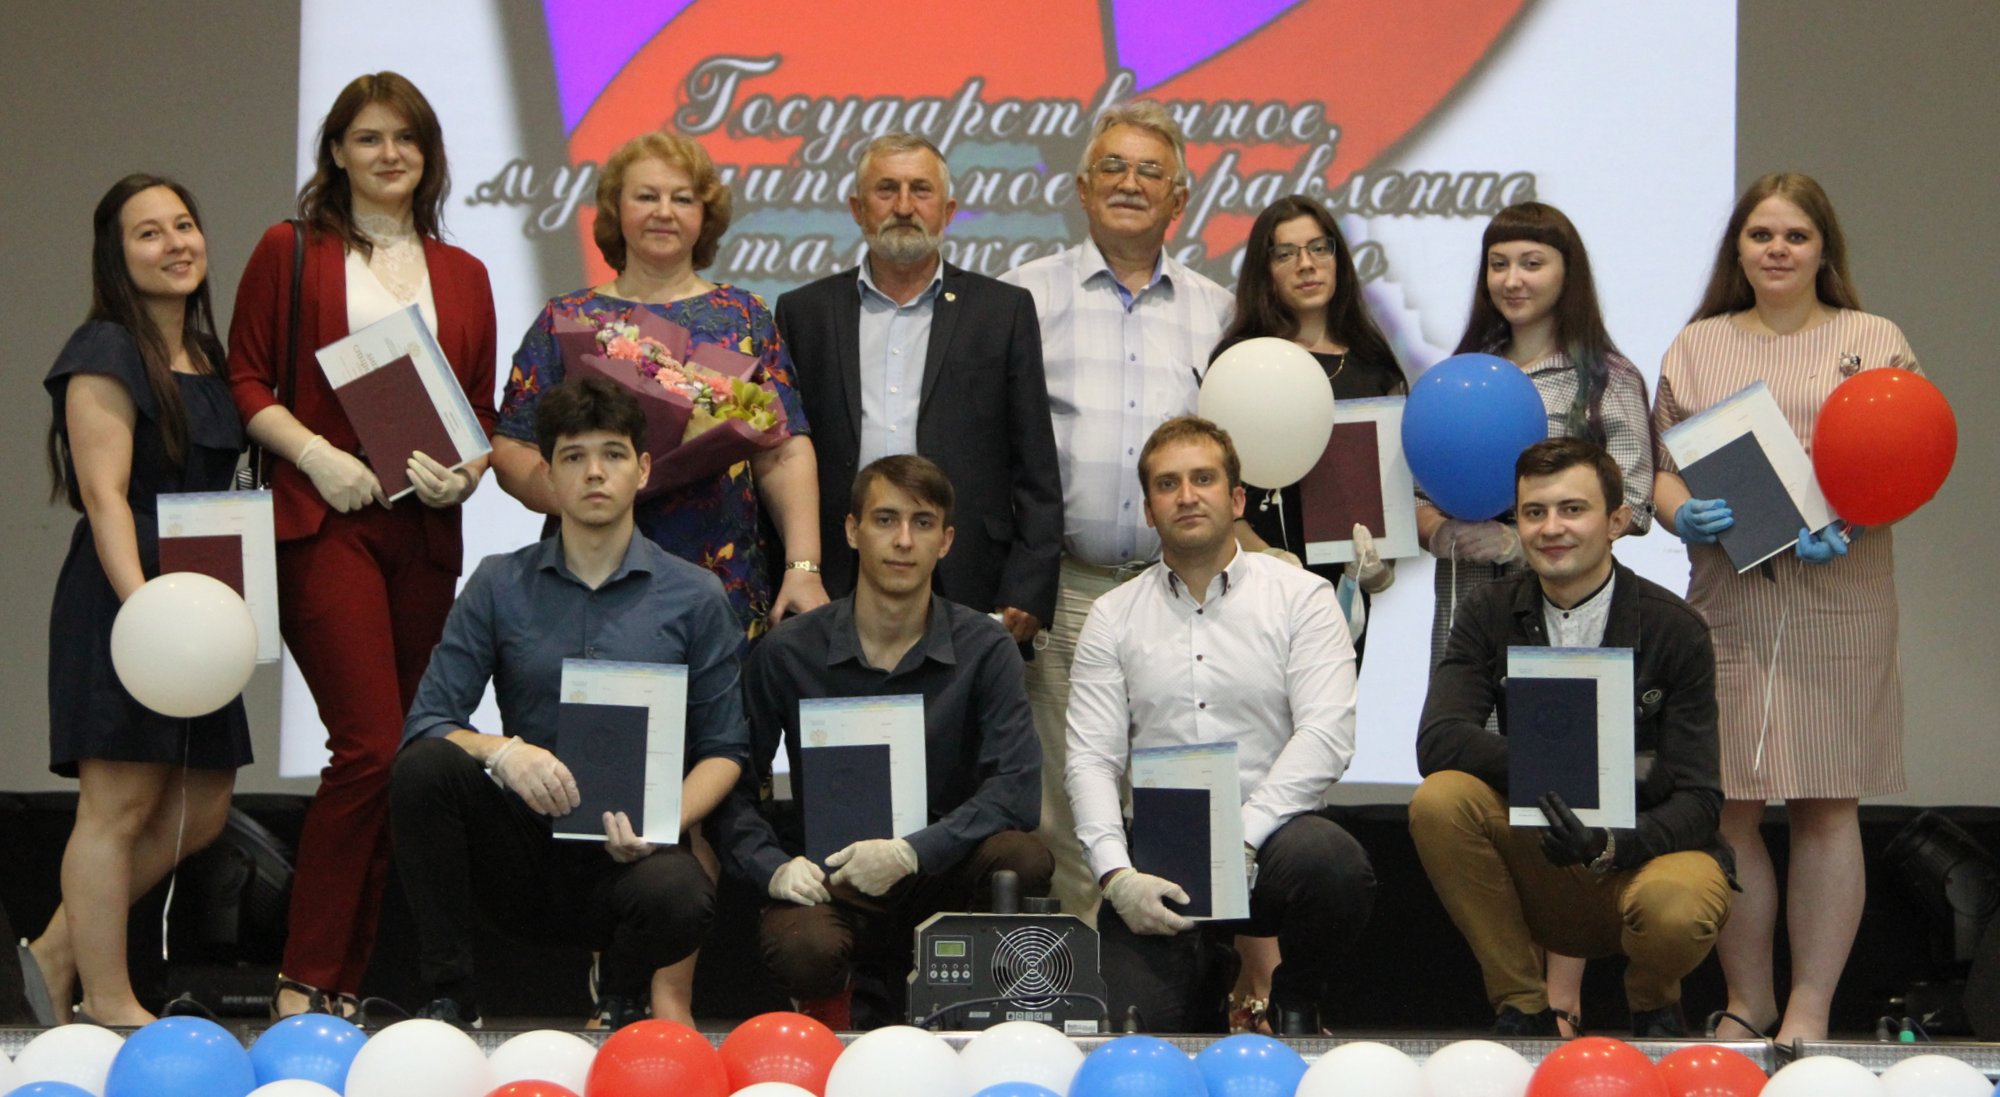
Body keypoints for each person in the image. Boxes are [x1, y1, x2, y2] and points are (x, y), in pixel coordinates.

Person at [226, 71, 497, 1019]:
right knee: (370, 746)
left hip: (422, 534)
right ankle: (302, 979)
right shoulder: (291, 248)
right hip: (324, 521)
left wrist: (466, 473)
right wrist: (314, 454)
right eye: (370, 137)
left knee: (406, 761)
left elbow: (479, 410)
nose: (390, 154)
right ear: (336, 151)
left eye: (407, 139)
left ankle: (344, 984)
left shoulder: (464, 272)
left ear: (429, 156)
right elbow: (246, 379)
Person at [390, 377, 746, 1030]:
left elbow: (725, 750)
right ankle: (451, 997)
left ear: (643, 469)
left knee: (682, 892)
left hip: (632, 852)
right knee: (423, 769)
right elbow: (429, 723)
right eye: (574, 456)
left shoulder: (695, 596)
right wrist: (504, 752)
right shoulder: (499, 583)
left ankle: (622, 993)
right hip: (521, 849)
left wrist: (661, 821)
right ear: (549, 475)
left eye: (613, 454)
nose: (594, 473)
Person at [1652, 172, 1919, 1044]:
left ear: (1823, 248)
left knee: (1825, 803)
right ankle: (1749, 999)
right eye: (1761, 234)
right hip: (1729, 598)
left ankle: (1809, 1005)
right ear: (1737, 248)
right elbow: (1661, 470)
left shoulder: (1873, 338)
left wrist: (1854, 513)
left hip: (1840, 595)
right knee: (1729, 804)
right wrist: (1679, 514)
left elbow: (1906, 456)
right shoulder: (1697, 345)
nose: (1777, 249)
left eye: (1795, 235)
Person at [710, 454, 1050, 1030]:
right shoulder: (789, 652)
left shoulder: (985, 649)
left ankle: (979, 1021)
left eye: (923, 523)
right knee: (803, 945)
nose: (903, 540)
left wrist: (911, 852)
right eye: (885, 519)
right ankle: (832, 1028)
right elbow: (731, 783)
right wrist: (772, 867)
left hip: (939, 871)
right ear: (851, 530)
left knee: (1021, 858)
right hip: (831, 879)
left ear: (946, 541)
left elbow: (1016, 789)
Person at [23, 174, 251, 1027]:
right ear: (116, 256)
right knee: (116, 807)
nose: (175, 243)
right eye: (148, 232)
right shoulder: (104, 348)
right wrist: (146, 609)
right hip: (131, 600)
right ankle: (108, 999)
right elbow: (104, 494)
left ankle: (54, 952)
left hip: (202, 605)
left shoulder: (211, 357)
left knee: (203, 803)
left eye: (184, 225)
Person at [999, 101, 1234, 925]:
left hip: (1183, 593)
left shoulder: (1220, 312)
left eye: (1149, 172)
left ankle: (1177, 968)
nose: (1130, 183)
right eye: (1113, 167)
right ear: (1081, 188)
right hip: (1067, 589)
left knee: (1176, 780)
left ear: (1180, 199)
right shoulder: (1022, 297)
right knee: (1070, 795)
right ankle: (1085, 965)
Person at [1410, 438, 1732, 1039]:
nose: (1551, 528)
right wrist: (1569, 770)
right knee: (1441, 799)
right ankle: (1524, 1007)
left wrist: (1610, 842)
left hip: (1645, 856)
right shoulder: (1487, 611)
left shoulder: (1675, 628)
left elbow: (1699, 799)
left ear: (1616, 522)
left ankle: (1654, 1006)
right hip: (1542, 857)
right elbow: (1440, 741)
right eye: (1534, 512)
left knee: (1678, 906)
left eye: (1572, 510)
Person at [1065, 416, 1374, 1034]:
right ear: (1148, 511)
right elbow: (1091, 760)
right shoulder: (1112, 616)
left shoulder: (1302, 597)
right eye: (1167, 484)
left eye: (1203, 479)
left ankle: (1294, 1001)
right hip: (1162, 854)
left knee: (1335, 865)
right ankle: (1208, 979)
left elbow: (1326, 736)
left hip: (1273, 841)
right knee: (1134, 1033)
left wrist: (1243, 838)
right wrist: (1115, 875)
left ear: (1236, 500)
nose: (1186, 496)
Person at [491, 131, 826, 642]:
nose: (664, 212)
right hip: (589, 580)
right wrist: (577, 497)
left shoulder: (745, 316)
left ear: (706, 215)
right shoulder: (566, 318)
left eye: (682, 198)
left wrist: (803, 567)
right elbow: (512, 446)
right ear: (615, 209)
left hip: (725, 580)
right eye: (646, 196)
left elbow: (784, 451)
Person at [776, 134, 1061, 644]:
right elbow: (784, 455)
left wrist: (1029, 584)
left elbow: (1035, 464)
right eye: (886, 189)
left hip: (971, 578)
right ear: (858, 209)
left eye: (921, 190)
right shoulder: (805, 312)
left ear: (947, 210)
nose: (904, 206)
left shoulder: (1002, 311)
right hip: (834, 576)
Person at [1426, 202, 1655, 668]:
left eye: (1532, 264)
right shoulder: (1458, 377)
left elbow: (1634, 502)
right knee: (1466, 713)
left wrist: (1520, 544)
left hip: (1569, 610)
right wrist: (1441, 532)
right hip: (1467, 606)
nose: (1512, 280)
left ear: (1567, 273)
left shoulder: (1608, 378)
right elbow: (1415, 494)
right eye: (1498, 265)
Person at [1213, 194, 1407, 655]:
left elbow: (1391, 488)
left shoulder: (1375, 367)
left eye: (1320, 248)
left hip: (1345, 596)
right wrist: (1262, 555)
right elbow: (1215, 479)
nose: (1306, 264)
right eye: (1286, 253)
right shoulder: (1240, 362)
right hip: (1254, 588)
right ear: (1265, 271)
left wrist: (1381, 567)